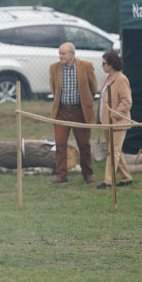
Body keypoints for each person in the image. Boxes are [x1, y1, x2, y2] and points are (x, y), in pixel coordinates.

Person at [48, 42, 98, 185]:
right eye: (60, 53)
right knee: (60, 144)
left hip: (80, 112)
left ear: (72, 54)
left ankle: (88, 175)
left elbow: (93, 87)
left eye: (63, 53)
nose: (61, 56)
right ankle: (61, 175)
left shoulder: (86, 66)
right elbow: (53, 88)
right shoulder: (54, 68)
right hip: (62, 112)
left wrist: (86, 103)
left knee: (84, 145)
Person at [97, 51, 133, 189]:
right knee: (115, 150)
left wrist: (115, 115)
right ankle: (126, 177)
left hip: (118, 122)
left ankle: (108, 181)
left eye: (104, 63)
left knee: (113, 151)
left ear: (111, 64)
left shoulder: (121, 79)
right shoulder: (106, 80)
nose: (102, 66)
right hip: (106, 122)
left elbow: (127, 101)